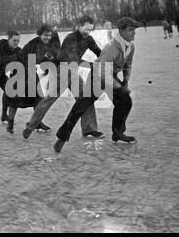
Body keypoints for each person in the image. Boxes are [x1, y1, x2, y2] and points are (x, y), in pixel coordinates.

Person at [53, 17, 141, 153]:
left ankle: (117, 132)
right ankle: (62, 137)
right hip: (97, 77)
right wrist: (119, 87)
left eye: (134, 30)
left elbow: (128, 65)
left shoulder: (131, 46)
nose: (133, 33)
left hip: (110, 77)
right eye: (130, 30)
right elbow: (103, 72)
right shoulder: (111, 47)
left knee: (125, 101)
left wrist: (125, 82)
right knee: (81, 106)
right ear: (121, 31)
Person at [22, 15, 104, 140]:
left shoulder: (89, 40)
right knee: (48, 99)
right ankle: (30, 126)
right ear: (79, 26)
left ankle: (89, 129)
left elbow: (100, 53)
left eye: (90, 30)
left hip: (74, 72)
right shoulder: (70, 38)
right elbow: (71, 59)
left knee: (86, 98)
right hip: (62, 71)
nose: (88, 32)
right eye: (86, 29)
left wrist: (107, 59)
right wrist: (90, 64)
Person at [3, 23, 60, 133]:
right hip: (20, 72)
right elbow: (25, 59)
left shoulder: (48, 45)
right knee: (15, 100)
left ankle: (37, 123)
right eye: (45, 35)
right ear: (40, 34)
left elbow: (46, 59)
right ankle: (10, 123)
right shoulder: (33, 44)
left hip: (31, 74)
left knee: (38, 99)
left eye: (49, 35)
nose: (48, 38)